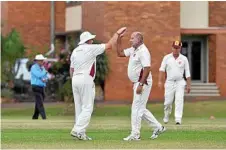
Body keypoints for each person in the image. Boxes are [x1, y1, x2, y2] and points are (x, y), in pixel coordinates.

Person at [70, 27, 127, 140]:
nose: (92, 41)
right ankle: (77, 129)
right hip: (85, 78)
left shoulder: (75, 51)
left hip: (75, 79)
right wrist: (117, 33)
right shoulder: (90, 48)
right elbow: (109, 45)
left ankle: (81, 133)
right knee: (87, 107)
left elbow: (71, 69)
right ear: (88, 41)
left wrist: (74, 80)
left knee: (79, 108)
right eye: (91, 39)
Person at [115, 32, 166, 141]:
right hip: (138, 82)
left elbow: (147, 68)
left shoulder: (143, 51)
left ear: (139, 40)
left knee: (136, 109)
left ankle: (135, 134)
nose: (130, 40)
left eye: (132, 38)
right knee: (140, 109)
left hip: (143, 82)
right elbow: (119, 53)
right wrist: (118, 39)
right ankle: (158, 127)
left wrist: (141, 84)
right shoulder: (134, 49)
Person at [158, 40, 191, 125]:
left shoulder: (184, 59)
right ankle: (166, 115)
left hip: (180, 82)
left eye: (178, 48)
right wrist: (160, 81)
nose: (176, 49)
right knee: (168, 102)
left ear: (180, 48)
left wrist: (188, 84)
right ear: (172, 48)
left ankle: (178, 118)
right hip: (169, 82)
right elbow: (162, 70)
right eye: (175, 48)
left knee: (179, 100)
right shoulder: (166, 58)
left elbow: (187, 72)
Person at [30, 54, 49, 120]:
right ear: (36, 61)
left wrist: (45, 79)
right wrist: (45, 71)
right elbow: (39, 75)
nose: (42, 62)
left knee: (38, 102)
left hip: (42, 87)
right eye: (40, 61)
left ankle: (35, 116)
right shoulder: (33, 67)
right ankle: (44, 117)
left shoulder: (43, 68)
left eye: (42, 60)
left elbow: (46, 77)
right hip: (35, 86)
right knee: (40, 102)